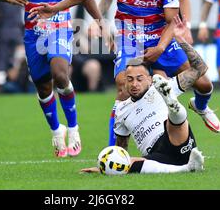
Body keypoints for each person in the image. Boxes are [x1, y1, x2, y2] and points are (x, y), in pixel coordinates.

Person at [29, 0, 220, 144]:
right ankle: (115, 150)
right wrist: (56, 8)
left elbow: (171, 22)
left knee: (203, 84)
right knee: (123, 89)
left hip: (160, 39)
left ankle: (201, 106)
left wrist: (159, 48)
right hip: (129, 38)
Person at [0, 0, 105, 158]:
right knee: (43, 87)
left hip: (61, 31)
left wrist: (100, 20)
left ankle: (73, 129)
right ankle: (57, 131)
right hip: (34, 35)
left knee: (61, 74)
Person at [88, 0, 195, 145]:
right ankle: (115, 149)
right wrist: (98, 21)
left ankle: (197, 111)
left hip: (159, 35)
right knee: (124, 86)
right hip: (131, 35)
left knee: (185, 78)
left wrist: (186, 27)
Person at [81, 15, 205, 175]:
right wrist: (108, 166)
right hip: (155, 156)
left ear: (149, 79)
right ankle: (186, 168)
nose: (134, 84)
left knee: (173, 120)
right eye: (130, 79)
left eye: (139, 79)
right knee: (128, 164)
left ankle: (172, 105)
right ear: (124, 82)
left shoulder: (160, 87)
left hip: (177, 140)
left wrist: (180, 40)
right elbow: (121, 150)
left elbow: (200, 68)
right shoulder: (121, 109)